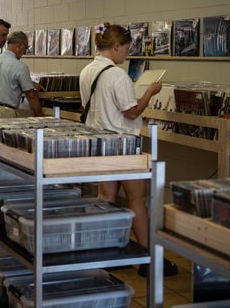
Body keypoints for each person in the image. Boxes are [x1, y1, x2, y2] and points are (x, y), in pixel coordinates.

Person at [79, 22, 177, 277]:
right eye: (125, 48)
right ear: (115, 46)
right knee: (137, 199)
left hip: (99, 143)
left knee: (106, 198)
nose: (127, 54)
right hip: (123, 145)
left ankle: (107, 253)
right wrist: (150, 92)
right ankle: (147, 258)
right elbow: (131, 111)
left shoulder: (87, 71)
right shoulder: (116, 75)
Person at [0, 31, 43, 119]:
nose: (24, 52)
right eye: (25, 48)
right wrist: (40, 116)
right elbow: (31, 96)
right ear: (19, 45)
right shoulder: (21, 67)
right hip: (3, 112)